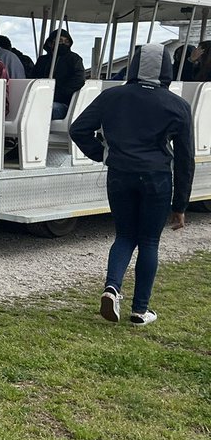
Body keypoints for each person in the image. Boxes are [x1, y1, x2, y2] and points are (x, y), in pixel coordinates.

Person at [70, 45, 193, 327]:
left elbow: (78, 129)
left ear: (134, 64)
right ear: (166, 69)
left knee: (124, 235)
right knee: (149, 242)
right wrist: (181, 205)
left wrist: (102, 153)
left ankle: (112, 288)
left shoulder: (112, 96)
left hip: (120, 173)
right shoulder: (177, 105)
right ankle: (140, 310)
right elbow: (186, 158)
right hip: (157, 177)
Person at [31, 28, 85, 119]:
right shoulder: (42, 60)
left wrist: (58, 94)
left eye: (66, 42)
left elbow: (78, 80)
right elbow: (33, 78)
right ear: (50, 43)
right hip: (40, 99)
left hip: (63, 104)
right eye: (59, 41)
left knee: (45, 109)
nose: (63, 44)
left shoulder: (74, 59)